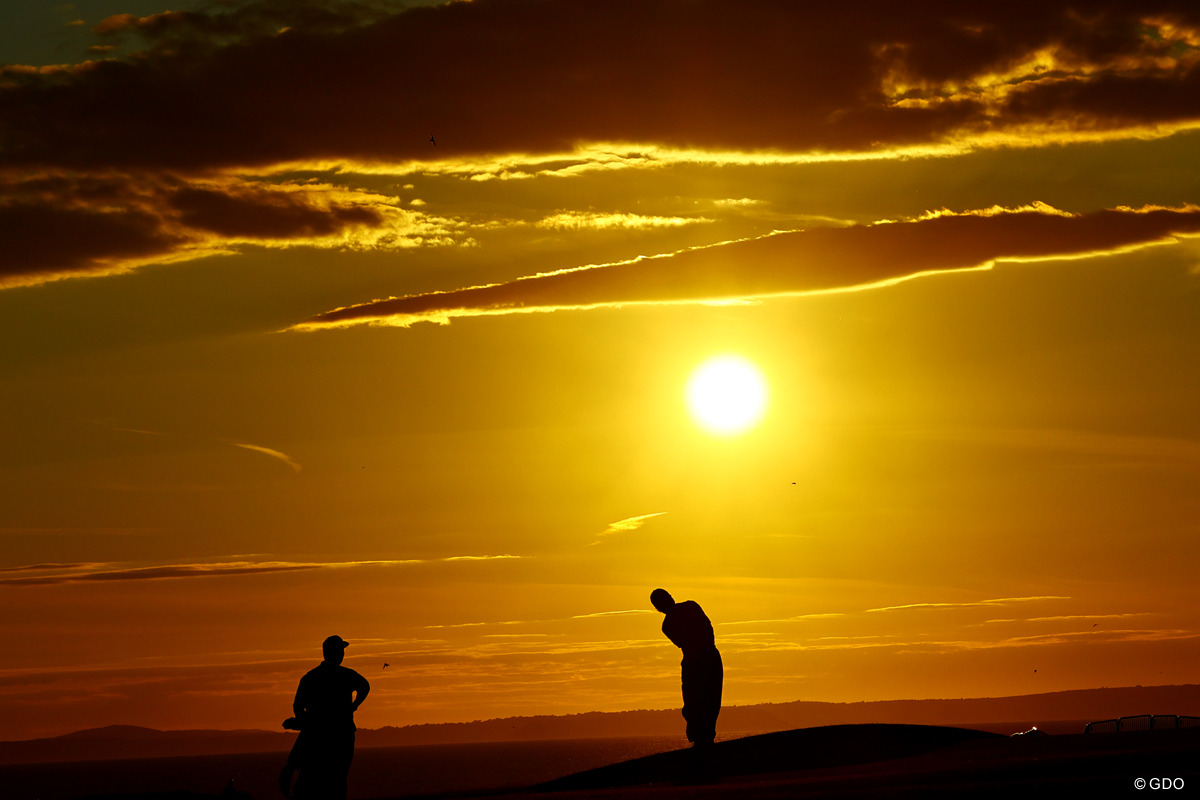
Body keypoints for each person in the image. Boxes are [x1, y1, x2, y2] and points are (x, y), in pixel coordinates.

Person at [280, 635, 370, 800]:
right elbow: (365, 686)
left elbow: (297, 706)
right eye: (340, 651)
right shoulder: (345, 675)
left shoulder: (311, 677)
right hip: (339, 736)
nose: (342, 654)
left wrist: (303, 721)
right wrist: (354, 705)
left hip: (321, 735)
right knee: (336, 778)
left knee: (316, 776)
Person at [651, 588, 722, 747]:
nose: (668, 600)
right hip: (694, 661)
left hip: (706, 656)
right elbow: (685, 641)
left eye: (667, 597)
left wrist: (703, 649)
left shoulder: (689, 607)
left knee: (710, 698)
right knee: (695, 701)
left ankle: (706, 736)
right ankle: (701, 737)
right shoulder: (668, 624)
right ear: (658, 607)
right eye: (662, 600)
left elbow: (707, 629)